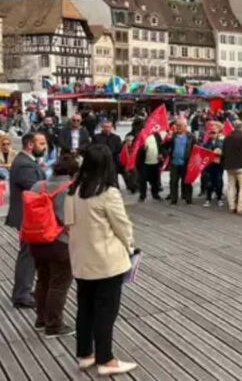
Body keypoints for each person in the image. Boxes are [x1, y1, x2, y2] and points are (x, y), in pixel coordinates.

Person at [64, 144, 137, 376]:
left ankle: (85, 354)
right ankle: (106, 359)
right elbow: (123, 227)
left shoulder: (73, 190)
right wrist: (130, 248)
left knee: (85, 308)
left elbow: (68, 224)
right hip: (107, 261)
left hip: (81, 260)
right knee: (106, 311)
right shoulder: (107, 192)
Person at [29, 154, 79, 337]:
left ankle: (40, 319)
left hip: (36, 241)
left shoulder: (38, 185)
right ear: (73, 172)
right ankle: (54, 325)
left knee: (42, 280)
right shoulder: (71, 189)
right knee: (59, 284)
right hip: (60, 243)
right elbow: (71, 219)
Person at [6, 133, 48, 308]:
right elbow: (37, 189)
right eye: (41, 143)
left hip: (28, 216)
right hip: (27, 217)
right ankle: (22, 294)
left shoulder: (26, 161)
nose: (45, 146)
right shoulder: (24, 164)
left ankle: (24, 291)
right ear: (30, 144)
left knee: (30, 255)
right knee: (28, 255)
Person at [222, 121, 242, 214]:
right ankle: (240, 208)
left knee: (231, 186)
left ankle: (232, 207)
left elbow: (224, 151)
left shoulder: (227, 137)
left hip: (229, 165)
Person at [165, 118, 196, 205]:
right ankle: (174, 199)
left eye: (180, 125)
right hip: (174, 162)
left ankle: (188, 199)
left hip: (186, 163)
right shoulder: (173, 136)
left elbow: (197, 148)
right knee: (173, 181)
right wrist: (166, 151)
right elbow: (164, 146)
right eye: (177, 125)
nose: (177, 127)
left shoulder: (191, 137)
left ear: (185, 126)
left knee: (187, 181)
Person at [136, 125, 163, 202]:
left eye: (152, 127)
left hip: (155, 161)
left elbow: (161, 146)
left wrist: (161, 154)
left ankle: (155, 194)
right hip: (144, 162)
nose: (152, 129)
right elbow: (136, 148)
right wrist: (142, 149)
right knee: (143, 180)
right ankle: (142, 195)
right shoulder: (141, 135)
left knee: (155, 180)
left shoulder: (156, 135)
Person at [202, 123, 225, 208]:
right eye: (211, 132)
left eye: (214, 132)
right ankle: (208, 199)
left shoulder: (222, 142)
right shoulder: (206, 143)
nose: (212, 134)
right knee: (209, 183)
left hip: (219, 166)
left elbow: (225, 153)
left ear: (218, 133)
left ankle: (219, 198)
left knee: (218, 182)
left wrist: (220, 153)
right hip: (209, 166)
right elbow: (203, 152)